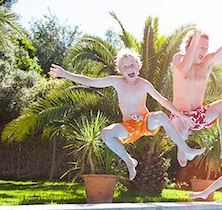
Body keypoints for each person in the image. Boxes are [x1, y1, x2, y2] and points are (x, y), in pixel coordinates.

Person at [49, 48, 205, 181]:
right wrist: (65, 74)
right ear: (120, 70)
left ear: (138, 66)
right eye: (125, 67)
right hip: (129, 127)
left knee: (160, 116)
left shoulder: (144, 84)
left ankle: (185, 148)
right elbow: (91, 81)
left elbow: (163, 100)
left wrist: (181, 115)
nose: (129, 68)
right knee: (106, 134)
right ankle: (129, 161)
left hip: (144, 121)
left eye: (132, 64)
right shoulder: (116, 82)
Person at [170, 8, 222, 167]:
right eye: (201, 46)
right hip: (179, 115)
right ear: (191, 45)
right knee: (180, 131)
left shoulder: (207, 63)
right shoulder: (179, 59)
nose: (205, 50)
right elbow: (184, 68)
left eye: (206, 47)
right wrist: (195, 38)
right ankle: (182, 147)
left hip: (199, 114)